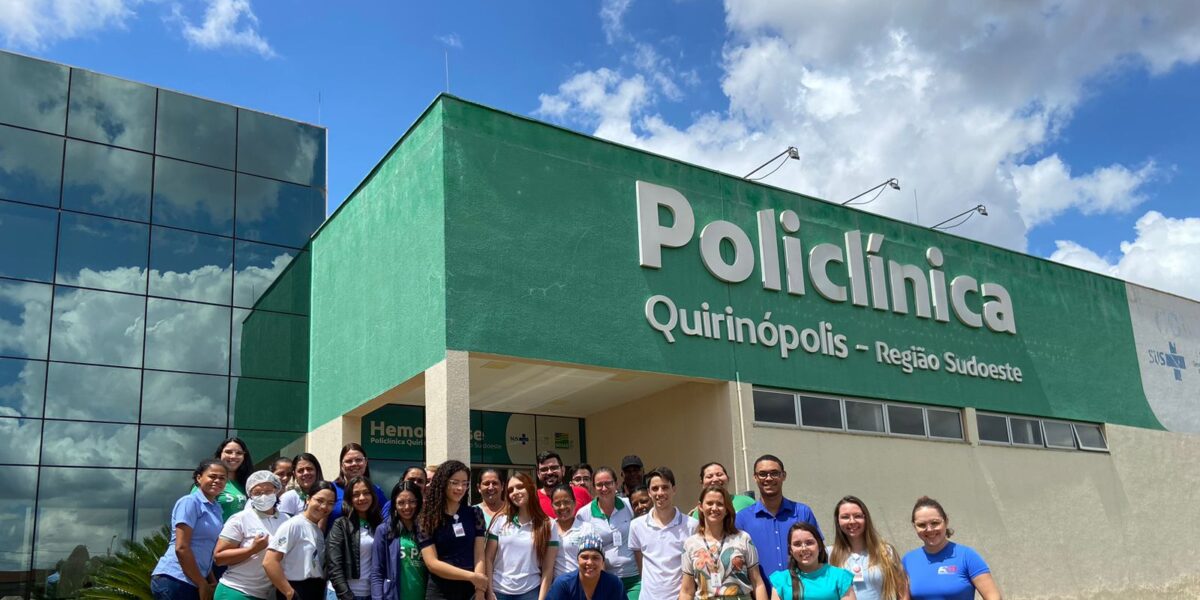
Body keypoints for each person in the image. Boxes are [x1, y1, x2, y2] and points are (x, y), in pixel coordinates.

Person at [151, 459, 229, 600]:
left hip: (196, 581)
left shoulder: (216, 508)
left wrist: (209, 580)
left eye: (222, 478)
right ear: (199, 478)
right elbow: (181, 547)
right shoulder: (189, 502)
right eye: (212, 476)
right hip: (175, 579)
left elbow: (207, 549)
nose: (217, 481)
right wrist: (201, 583)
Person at [735, 455, 822, 580]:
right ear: (755, 477)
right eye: (762, 474)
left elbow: (819, 554)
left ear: (784, 476)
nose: (768, 478)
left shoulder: (803, 512)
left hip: (803, 592)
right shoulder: (742, 519)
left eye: (774, 473)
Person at [902, 497, 1000, 600]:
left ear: (946, 521)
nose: (929, 529)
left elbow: (993, 596)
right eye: (921, 525)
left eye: (935, 523)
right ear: (915, 527)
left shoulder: (967, 556)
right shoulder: (908, 561)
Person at [681, 486, 767, 600]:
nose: (714, 508)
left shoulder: (743, 538)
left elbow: (757, 583)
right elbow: (687, 591)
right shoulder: (690, 544)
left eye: (720, 504)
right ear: (700, 507)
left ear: (727, 509)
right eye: (709, 503)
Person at [417, 460, 488, 600]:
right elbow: (432, 563)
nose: (460, 488)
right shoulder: (426, 518)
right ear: (443, 482)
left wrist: (479, 592)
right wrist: (472, 577)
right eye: (454, 482)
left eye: (465, 483)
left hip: (470, 591)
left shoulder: (475, 514)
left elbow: (479, 555)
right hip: (440, 592)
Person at [213, 470, 288, 600]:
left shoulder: (286, 520)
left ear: (276, 491)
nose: (263, 496)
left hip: (266, 594)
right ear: (250, 495)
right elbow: (219, 558)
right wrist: (252, 549)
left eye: (268, 491)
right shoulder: (240, 519)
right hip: (237, 590)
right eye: (257, 492)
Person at [485, 472, 559, 600]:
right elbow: (488, 558)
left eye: (520, 487)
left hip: (530, 592)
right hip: (499, 592)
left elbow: (548, 568)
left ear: (530, 488)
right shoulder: (500, 521)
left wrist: (541, 598)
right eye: (510, 490)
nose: (515, 492)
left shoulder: (548, 524)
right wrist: (489, 592)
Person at [627, 467, 697, 600]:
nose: (660, 493)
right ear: (648, 492)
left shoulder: (691, 525)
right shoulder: (636, 526)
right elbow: (641, 566)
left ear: (674, 489)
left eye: (665, 487)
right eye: (655, 488)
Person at [264, 480, 337, 600]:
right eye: (319, 500)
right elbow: (269, 562)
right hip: (296, 589)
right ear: (308, 499)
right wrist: (289, 593)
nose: (324, 506)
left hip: (315, 589)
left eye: (330, 503)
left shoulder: (317, 530)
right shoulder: (294, 525)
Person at [574, 467, 639, 599]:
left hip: (633, 578)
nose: (604, 488)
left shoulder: (629, 505)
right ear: (593, 487)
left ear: (616, 484)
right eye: (599, 485)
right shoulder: (584, 514)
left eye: (608, 483)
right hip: (605, 579)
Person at [828, 497, 908, 600]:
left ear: (866, 519)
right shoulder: (828, 554)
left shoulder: (885, 551)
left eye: (857, 516)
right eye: (845, 517)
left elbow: (902, 588)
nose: (852, 521)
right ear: (838, 520)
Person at [326, 476, 385, 600]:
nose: (362, 498)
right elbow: (334, 565)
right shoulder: (341, 524)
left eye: (366, 493)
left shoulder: (379, 524)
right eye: (356, 494)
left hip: (371, 594)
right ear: (349, 499)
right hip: (343, 595)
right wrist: (346, 595)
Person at [766, 523, 854, 600]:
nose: (804, 548)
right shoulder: (780, 580)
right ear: (791, 551)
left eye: (809, 543)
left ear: (819, 546)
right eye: (797, 544)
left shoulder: (840, 577)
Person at [371, 481, 427, 600]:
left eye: (412, 502)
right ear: (394, 505)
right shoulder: (384, 531)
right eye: (401, 503)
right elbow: (377, 572)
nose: (407, 507)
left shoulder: (428, 530)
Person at [545, 533, 624, 600]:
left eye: (595, 558)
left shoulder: (614, 584)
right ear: (577, 559)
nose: (589, 562)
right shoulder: (563, 584)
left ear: (602, 561)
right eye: (585, 557)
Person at [329, 444, 389, 528]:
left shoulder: (375, 490)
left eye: (358, 460)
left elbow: (387, 519)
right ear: (341, 465)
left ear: (365, 462)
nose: (354, 464)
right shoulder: (331, 489)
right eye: (349, 461)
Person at [201, 437, 253, 522]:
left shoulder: (247, 484)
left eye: (239, 453)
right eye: (228, 452)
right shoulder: (208, 482)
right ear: (219, 455)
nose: (233, 456)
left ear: (244, 457)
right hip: (217, 534)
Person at [550, 484, 595, 578]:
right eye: (557, 503)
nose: (562, 507)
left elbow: (595, 560)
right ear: (552, 506)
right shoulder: (548, 528)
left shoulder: (586, 529)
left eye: (566, 502)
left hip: (582, 584)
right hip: (557, 587)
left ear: (574, 503)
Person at [689, 463, 755, 520]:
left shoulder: (747, 502)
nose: (715, 479)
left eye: (719, 474)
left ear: (728, 478)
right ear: (702, 483)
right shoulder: (698, 512)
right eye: (709, 476)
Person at [536, 451, 591, 518]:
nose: (549, 472)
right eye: (544, 469)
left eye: (554, 468)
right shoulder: (533, 498)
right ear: (538, 474)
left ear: (563, 470)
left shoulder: (581, 493)